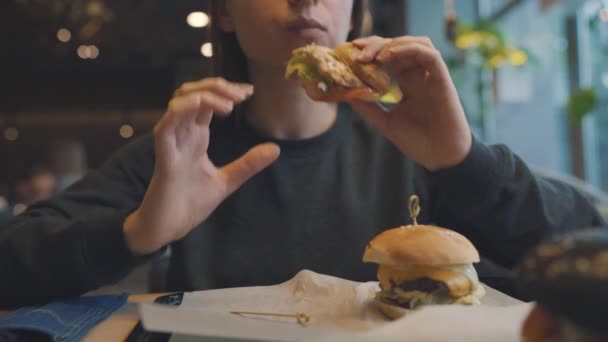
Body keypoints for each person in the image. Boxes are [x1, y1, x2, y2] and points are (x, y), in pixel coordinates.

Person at [0, 0, 603, 309]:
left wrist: (464, 162)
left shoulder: (417, 150)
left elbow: (586, 257)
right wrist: (135, 231)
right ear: (227, 13)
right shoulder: (183, 154)